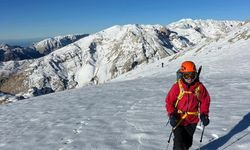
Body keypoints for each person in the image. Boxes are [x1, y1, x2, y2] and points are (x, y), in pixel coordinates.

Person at [165, 61, 210, 150]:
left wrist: (204, 114)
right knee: (178, 143)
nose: (189, 78)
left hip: (192, 121)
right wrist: (171, 115)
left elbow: (205, 100)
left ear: (195, 75)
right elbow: (169, 101)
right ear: (182, 75)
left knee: (187, 143)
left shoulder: (199, 87)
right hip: (178, 119)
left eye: (192, 75)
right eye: (186, 76)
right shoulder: (177, 87)